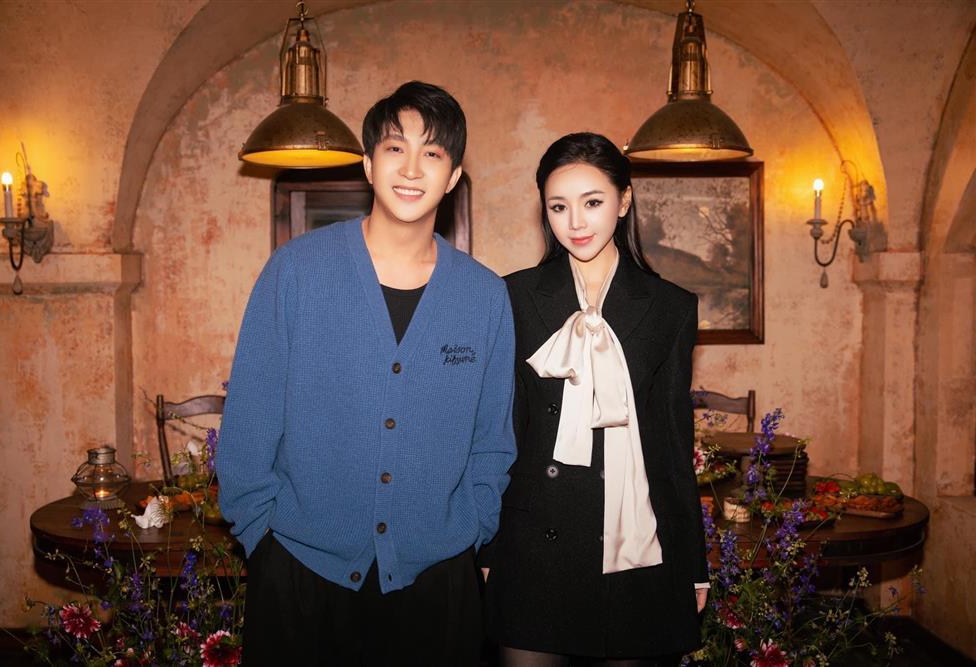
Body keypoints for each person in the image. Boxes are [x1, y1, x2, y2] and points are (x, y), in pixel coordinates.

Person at [216, 81, 516, 666]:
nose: (412, 168)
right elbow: (250, 419)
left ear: (453, 177)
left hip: (436, 584)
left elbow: (492, 442)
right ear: (368, 164)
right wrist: (262, 538)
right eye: (395, 148)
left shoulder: (484, 296)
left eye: (432, 153)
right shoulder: (295, 272)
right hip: (299, 571)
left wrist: (474, 525)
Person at [481, 132, 708, 666]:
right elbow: (500, 432)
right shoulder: (512, 297)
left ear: (624, 201)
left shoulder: (670, 308)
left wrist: (693, 562)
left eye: (592, 202)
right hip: (533, 545)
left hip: (636, 547)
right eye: (558, 206)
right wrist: (490, 546)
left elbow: (672, 446)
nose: (575, 222)